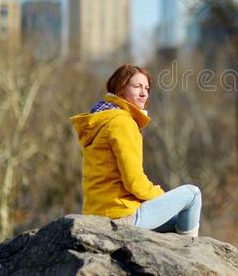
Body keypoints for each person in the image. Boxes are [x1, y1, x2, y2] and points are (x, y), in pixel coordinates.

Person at [70, 63, 201, 237]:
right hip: (121, 215)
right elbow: (134, 182)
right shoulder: (122, 122)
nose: (144, 93)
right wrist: (161, 196)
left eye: (146, 88)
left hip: (96, 214)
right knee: (192, 194)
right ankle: (190, 254)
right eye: (137, 86)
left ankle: (184, 249)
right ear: (121, 88)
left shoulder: (102, 119)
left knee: (178, 221)